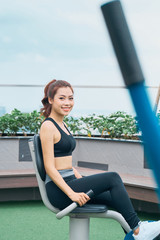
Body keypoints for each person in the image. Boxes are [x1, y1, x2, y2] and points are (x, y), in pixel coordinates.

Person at [40, 79, 160, 240]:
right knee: (113, 177)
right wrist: (72, 194)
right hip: (59, 191)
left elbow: (65, 162)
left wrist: (80, 178)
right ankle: (138, 230)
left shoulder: (62, 124)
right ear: (50, 100)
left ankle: (134, 235)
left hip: (69, 181)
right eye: (62, 98)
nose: (67, 102)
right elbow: (49, 167)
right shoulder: (48, 126)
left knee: (115, 198)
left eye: (71, 98)